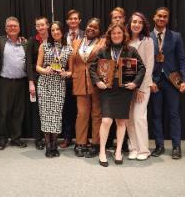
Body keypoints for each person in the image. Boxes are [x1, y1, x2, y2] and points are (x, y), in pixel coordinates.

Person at [90, 23, 145, 167]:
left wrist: (135, 83)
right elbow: (92, 68)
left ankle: (118, 151)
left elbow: (142, 68)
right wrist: (97, 82)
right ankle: (102, 151)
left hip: (124, 90)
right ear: (110, 35)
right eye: (113, 33)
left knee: (121, 122)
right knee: (106, 121)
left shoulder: (131, 50)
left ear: (123, 35)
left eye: (119, 33)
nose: (116, 35)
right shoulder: (103, 50)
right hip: (107, 90)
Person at [150, 7, 185, 159]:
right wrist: (148, 81)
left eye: (165, 17)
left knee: (173, 114)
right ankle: (159, 145)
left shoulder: (176, 37)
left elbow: (182, 60)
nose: (161, 19)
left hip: (172, 82)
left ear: (167, 19)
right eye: (159, 16)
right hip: (154, 82)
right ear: (154, 17)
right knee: (156, 115)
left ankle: (176, 147)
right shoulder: (147, 37)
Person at [36, 21, 72, 158]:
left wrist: (65, 74)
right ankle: (47, 145)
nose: (55, 32)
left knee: (56, 116)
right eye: (53, 30)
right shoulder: (44, 46)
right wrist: (45, 70)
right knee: (45, 115)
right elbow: (37, 67)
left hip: (59, 85)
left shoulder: (68, 49)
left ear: (62, 31)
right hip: (45, 84)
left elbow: (71, 71)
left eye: (58, 29)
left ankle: (55, 145)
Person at [70, 18, 104, 158]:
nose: (92, 29)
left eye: (95, 27)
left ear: (99, 31)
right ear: (86, 26)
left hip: (96, 83)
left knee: (97, 114)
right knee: (82, 114)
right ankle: (80, 143)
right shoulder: (76, 42)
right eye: (90, 26)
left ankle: (96, 143)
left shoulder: (103, 42)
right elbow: (72, 61)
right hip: (79, 83)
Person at [0, 17, 27, 150]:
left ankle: (16, 138)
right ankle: (1, 139)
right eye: (10, 26)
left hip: (21, 82)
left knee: (18, 111)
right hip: (5, 82)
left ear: (19, 28)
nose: (13, 28)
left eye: (15, 26)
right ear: (6, 28)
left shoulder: (25, 42)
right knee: (3, 111)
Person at [126, 12, 154, 161]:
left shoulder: (148, 41)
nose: (136, 24)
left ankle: (144, 150)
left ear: (143, 25)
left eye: (140, 22)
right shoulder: (126, 41)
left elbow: (149, 66)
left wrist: (141, 87)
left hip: (142, 86)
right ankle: (134, 148)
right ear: (129, 24)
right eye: (134, 22)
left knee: (139, 117)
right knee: (129, 118)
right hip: (128, 86)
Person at [59, 9, 85, 149]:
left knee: (82, 111)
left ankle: (82, 138)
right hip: (66, 78)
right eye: (71, 19)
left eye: (76, 18)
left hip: (81, 78)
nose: (73, 21)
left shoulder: (86, 36)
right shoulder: (61, 36)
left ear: (79, 21)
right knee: (68, 110)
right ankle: (68, 137)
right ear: (67, 21)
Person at [106, 7, 129, 152]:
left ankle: (123, 145)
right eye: (115, 17)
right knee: (107, 117)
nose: (117, 19)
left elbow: (139, 66)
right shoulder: (108, 38)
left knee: (122, 117)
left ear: (124, 18)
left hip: (124, 83)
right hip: (109, 83)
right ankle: (108, 143)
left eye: (120, 17)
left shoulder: (129, 37)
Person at [26, 16, 50, 150]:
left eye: (42, 25)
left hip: (51, 80)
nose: (40, 28)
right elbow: (29, 63)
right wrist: (31, 82)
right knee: (37, 111)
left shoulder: (54, 40)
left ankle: (49, 137)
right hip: (36, 79)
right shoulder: (32, 41)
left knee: (48, 109)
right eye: (37, 25)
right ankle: (38, 138)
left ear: (48, 25)